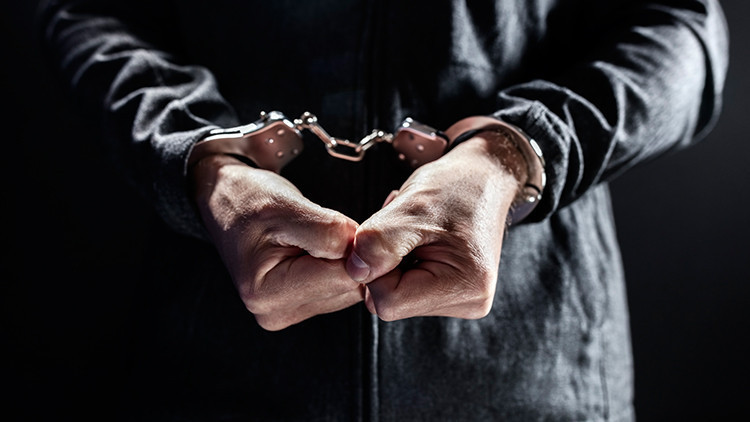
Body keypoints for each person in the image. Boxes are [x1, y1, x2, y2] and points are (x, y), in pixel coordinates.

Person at [38, 0, 728, 420]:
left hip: (536, 377)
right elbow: (90, 12)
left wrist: (515, 153)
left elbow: (683, 27)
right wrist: (205, 161)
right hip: (211, 374)